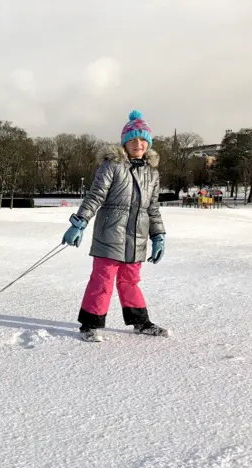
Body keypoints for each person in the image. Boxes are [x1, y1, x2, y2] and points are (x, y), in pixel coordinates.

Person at [61, 110, 169, 342]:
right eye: (133, 139)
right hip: (110, 233)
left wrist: (158, 235)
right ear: (125, 142)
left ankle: (140, 322)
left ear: (148, 144)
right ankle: (90, 324)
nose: (138, 144)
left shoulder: (152, 173)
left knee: (130, 280)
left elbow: (152, 208)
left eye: (142, 140)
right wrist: (79, 223)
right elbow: (95, 196)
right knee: (103, 279)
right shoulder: (112, 166)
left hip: (136, 236)